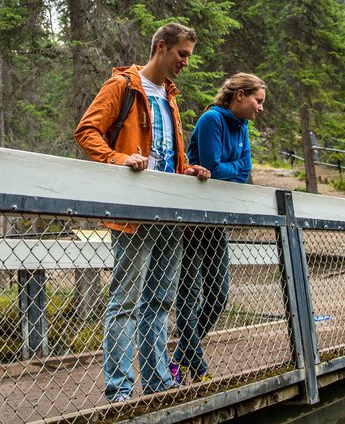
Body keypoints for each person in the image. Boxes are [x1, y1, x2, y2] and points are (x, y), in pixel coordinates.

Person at [74, 22, 211, 403]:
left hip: (168, 212)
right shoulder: (123, 86)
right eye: (182, 54)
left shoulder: (169, 97)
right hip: (133, 212)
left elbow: (165, 156)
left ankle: (157, 384)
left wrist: (187, 169)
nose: (186, 62)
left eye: (189, 56)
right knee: (126, 301)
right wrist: (118, 159)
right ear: (162, 48)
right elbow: (87, 132)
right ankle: (119, 391)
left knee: (161, 301)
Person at [171, 73, 266, 384]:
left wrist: (231, 170)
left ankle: (178, 359)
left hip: (217, 220)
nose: (260, 108)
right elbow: (212, 167)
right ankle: (197, 368)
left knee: (218, 295)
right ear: (239, 95)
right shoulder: (212, 119)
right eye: (257, 100)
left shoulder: (242, 127)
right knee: (188, 295)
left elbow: (244, 172)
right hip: (191, 219)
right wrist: (231, 169)